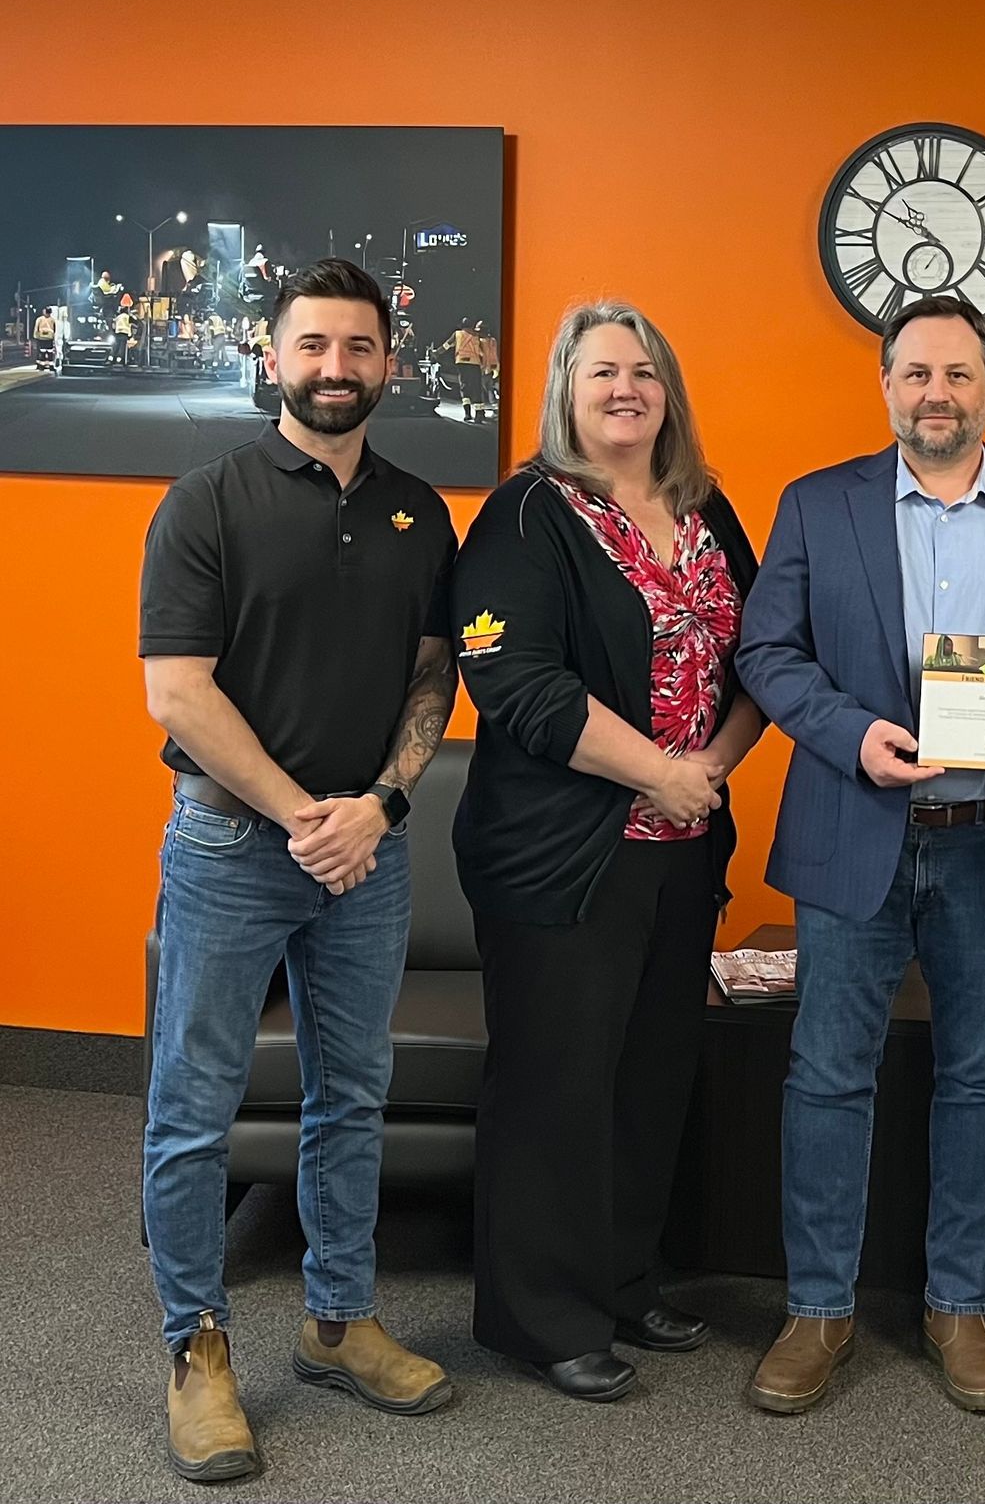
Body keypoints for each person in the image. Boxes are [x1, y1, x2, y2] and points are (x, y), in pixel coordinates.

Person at [735, 295, 985, 1416]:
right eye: (913, 373)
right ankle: (817, 1305)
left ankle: (960, 1303)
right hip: (857, 830)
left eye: (956, 373)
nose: (934, 392)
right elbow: (767, 647)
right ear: (885, 383)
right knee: (828, 1073)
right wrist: (854, 736)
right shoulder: (817, 503)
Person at [138, 258, 459, 1484]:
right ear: (275, 357)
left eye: (358, 348)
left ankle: (336, 1318)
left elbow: (435, 671)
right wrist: (302, 817)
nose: (337, 368)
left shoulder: (420, 511)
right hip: (230, 842)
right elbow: (178, 690)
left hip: (366, 854)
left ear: (389, 362)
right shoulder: (206, 501)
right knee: (191, 1107)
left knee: (351, 1095)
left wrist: (376, 805)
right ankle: (196, 1348)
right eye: (314, 346)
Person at [451, 301, 763, 1402]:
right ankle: (541, 1316)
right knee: (555, 1082)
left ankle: (627, 1278)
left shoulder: (707, 506)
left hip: (684, 845)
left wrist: (710, 765)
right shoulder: (526, 515)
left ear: (668, 390)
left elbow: (763, 652)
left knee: (648, 1072)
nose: (625, 387)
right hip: (563, 855)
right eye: (601, 372)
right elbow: (516, 682)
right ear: (565, 392)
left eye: (644, 370)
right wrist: (657, 772)